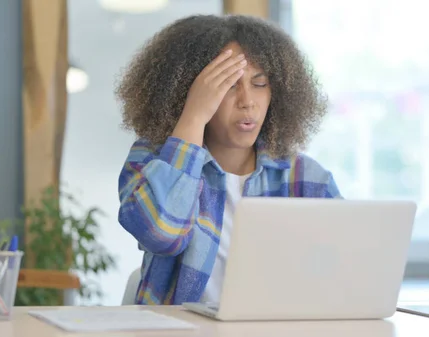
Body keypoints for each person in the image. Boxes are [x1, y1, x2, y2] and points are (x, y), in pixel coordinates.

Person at [116, 14, 342, 306]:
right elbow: (161, 234)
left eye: (260, 84)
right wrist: (194, 116)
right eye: (229, 85)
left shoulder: (306, 177)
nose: (248, 101)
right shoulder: (152, 159)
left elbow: (342, 274)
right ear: (188, 92)